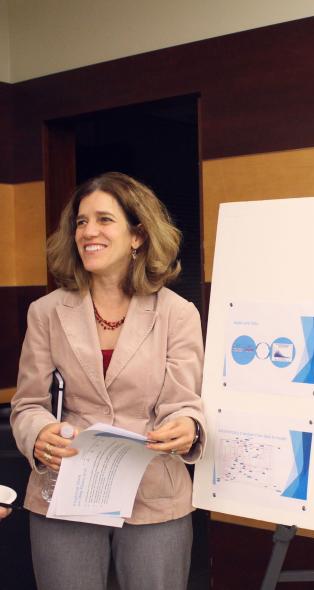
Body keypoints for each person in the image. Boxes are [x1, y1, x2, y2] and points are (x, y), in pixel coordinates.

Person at [10, 172, 205, 590]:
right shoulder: (45, 312)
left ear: (138, 235)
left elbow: (184, 403)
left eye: (104, 220)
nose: (88, 232)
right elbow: (27, 404)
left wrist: (188, 426)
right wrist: (38, 433)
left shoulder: (178, 313)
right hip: (66, 488)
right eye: (81, 222)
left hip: (154, 492)